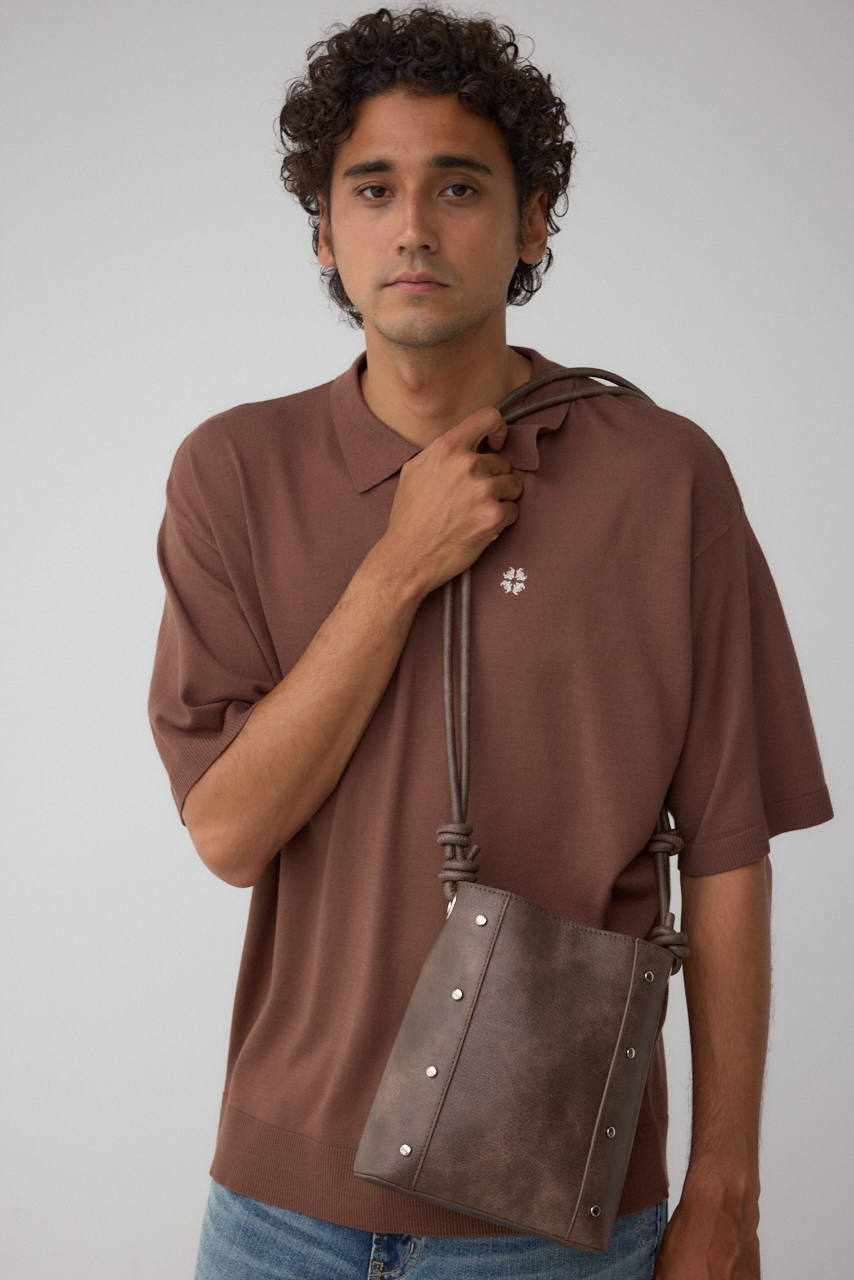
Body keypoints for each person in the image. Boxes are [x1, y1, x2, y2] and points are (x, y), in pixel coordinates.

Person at [148, 8, 832, 1278]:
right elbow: (228, 832)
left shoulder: (664, 478)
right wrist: (398, 564)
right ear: (323, 231)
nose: (412, 226)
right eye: (372, 189)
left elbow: (727, 846)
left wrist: (724, 1189)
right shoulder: (233, 472)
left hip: (557, 1215)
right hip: (276, 1212)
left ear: (530, 224)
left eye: (457, 187)